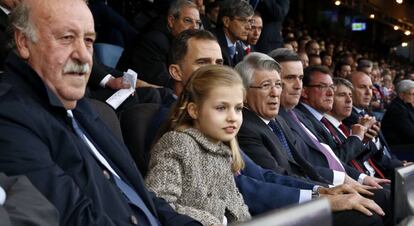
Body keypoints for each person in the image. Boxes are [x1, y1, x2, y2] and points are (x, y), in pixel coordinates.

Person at [0, 0, 202, 225]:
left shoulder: (81, 107)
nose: (84, 56)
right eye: (66, 38)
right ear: (24, 42)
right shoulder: (9, 117)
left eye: (88, 41)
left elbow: (142, 195)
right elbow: (73, 217)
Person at [145, 65, 251, 225]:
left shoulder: (222, 152)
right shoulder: (177, 143)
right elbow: (160, 201)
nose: (233, 117)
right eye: (221, 108)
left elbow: (238, 208)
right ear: (194, 110)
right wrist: (211, 221)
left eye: (238, 108)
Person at [129, 0, 201, 87]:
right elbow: (164, 82)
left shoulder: (183, 40)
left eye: (197, 23)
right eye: (188, 21)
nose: (194, 28)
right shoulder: (154, 40)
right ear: (171, 21)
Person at [211, 0, 253, 66]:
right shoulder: (210, 42)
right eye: (243, 20)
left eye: (250, 21)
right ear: (226, 21)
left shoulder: (241, 50)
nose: (249, 27)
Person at [382, 79, 414, 145]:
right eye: (412, 94)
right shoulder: (397, 110)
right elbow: (410, 134)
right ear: (401, 95)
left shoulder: (406, 105)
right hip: (399, 149)